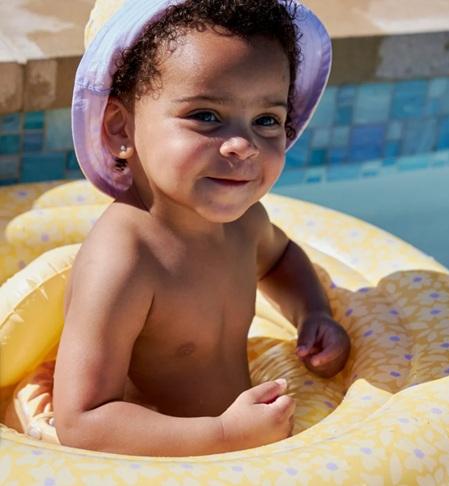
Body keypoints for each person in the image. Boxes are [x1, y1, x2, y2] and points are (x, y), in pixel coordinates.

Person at [53, 0, 350, 457]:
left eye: (266, 120)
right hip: (159, 462)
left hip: (239, 439)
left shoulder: (247, 222)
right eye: (206, 115)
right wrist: (224, 434)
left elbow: (281, 259)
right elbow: (83, 419)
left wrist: (312, 313)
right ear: (120, 129)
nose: (243, 145)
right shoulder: (126, 257)